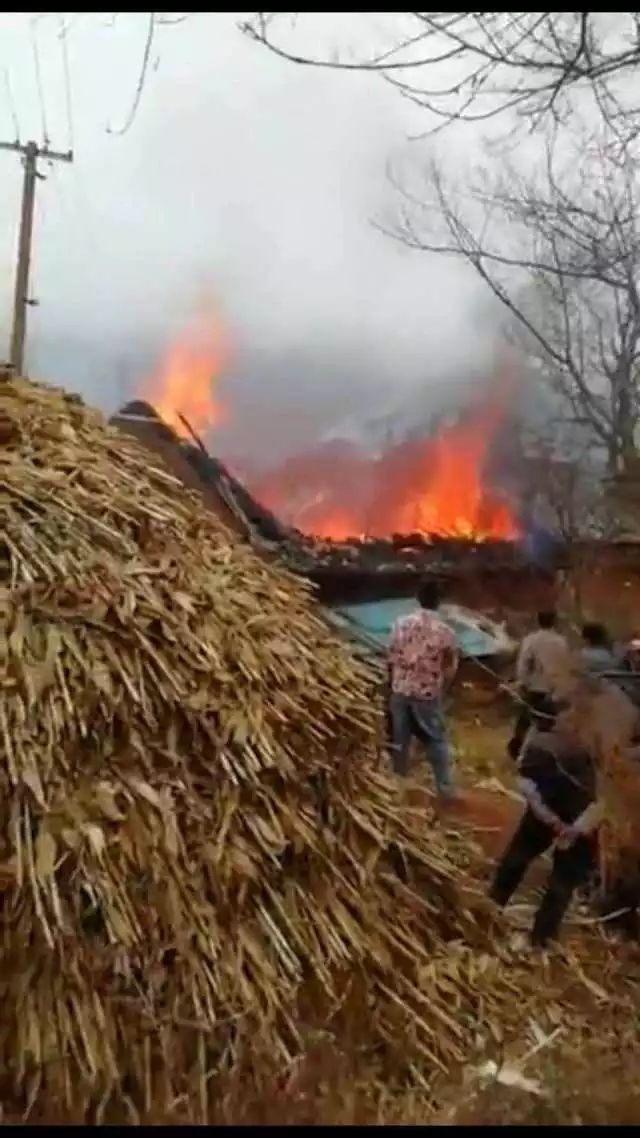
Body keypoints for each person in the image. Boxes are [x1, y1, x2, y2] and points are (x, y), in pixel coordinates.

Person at [490, 698, 600, 948]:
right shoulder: (539, 742)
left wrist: (577, 828)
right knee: (514, 861)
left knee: (561, 884)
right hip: (548, 810)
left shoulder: (602, 747)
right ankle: (490, 911)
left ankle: (540, 940)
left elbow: (608, 798)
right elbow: (526, 783)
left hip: (584, 818)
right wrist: (550, 819)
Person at [387, 577, 459, 798]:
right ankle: (445, 791)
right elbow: (450, 665)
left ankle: (397, 788)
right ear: (439, 601)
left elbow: (390, 656)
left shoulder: (399, 624)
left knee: (399, 742)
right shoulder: (445, 631)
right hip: (426, 694)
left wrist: (391, 684)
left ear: (417, 599)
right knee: (436, 741)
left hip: (400, 691)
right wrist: (442, 688)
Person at [507, 610, 570, 761]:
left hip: (535, 687)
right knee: (550, 723)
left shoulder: (531, 640)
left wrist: (522, 682)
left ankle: (518, 752)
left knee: (525, 721)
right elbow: (566, 665)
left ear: (538, 621)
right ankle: (547, 754)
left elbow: (524, 663)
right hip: (556, 689)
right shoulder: (562, 642)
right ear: (554, 622)